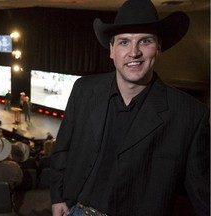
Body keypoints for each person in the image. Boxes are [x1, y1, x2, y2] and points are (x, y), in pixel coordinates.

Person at [50, 0, 210, 216]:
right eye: (124, 42)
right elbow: (63, 148)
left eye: (145, 41)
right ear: (111, 50)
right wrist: (58, 197)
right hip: (75, 210)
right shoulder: (83, 90)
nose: (134, 52)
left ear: (159, 47)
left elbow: (202, 190)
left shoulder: (190, 114)